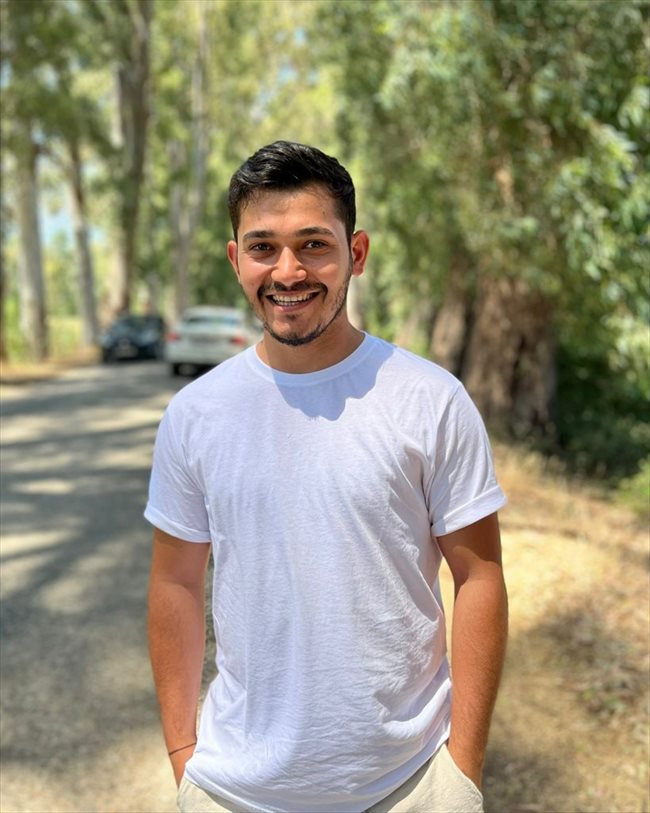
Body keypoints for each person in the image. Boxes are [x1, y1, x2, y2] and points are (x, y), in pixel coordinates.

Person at [146, 141, 508, 813]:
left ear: (356, 253)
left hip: (410, 784)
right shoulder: (196, 414)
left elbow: (480, 577)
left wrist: (462, 772)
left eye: (314, 244)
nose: (288, 270)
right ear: (235, 259)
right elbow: (175, 583)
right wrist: (182, 757)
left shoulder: (430, 400)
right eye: (263, 247)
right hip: (233, 790)